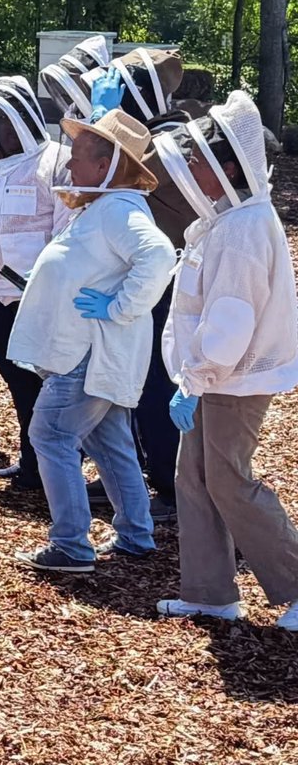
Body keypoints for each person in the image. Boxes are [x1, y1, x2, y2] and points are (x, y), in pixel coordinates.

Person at [153, 92, 298, 631]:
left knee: (230, 481)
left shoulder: (242, 229)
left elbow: (232, 320)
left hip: (232, 380)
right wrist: (195, 376)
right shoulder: (228, 221)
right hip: (215, 375)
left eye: (197, 158)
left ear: (228, 168)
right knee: (194, 479)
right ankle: (209, 592)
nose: (190, 167)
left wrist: (197, 377)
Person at [7, 111, 175, 571]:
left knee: (50, 434)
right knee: (110, 442)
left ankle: (70, 546)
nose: (69, 165)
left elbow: (159, 254)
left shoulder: (118, 209)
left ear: (105, 167)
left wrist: (119, 307)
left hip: (87, 354)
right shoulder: (105, 207)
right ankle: (136, 534)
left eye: (78, 156)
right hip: (93, 353)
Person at [84, 48, 190, 522]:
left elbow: (117, 175)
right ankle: (135, 470)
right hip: (140, 280)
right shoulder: (157, 135)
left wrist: (105, 120)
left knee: (153, 385)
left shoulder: (170, 140)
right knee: (126, 380)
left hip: (162, 283)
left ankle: (171, 487)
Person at [0, 76, 69, 492]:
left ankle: (50, 466)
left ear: (24, 119)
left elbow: (67, 233)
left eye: (7, 120)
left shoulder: (55, 163)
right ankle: (31, 461)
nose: (2, 130)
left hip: (37, 299)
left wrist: (51, 284)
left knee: (41, 384)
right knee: (13, 377)